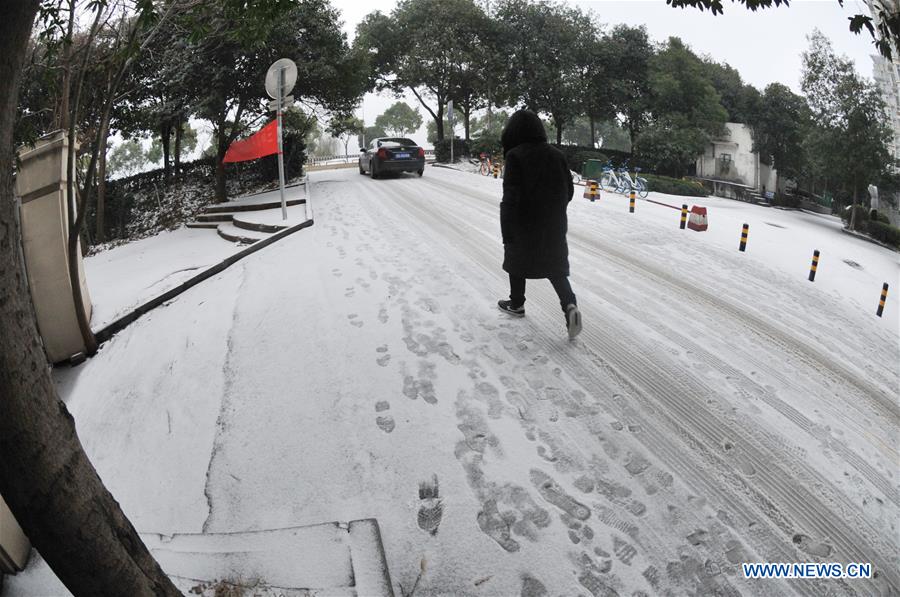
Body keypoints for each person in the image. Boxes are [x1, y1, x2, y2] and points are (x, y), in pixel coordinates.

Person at [496, 109, 582, 339]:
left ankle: (516, 303)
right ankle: (570, 306)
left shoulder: (515, 156)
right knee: (555, 267)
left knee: (516, 260)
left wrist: (507, 230)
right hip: (553, 223)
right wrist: (552, 208)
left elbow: (510, 198)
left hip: (523, 222)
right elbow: (569, 191)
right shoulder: (557, 155)